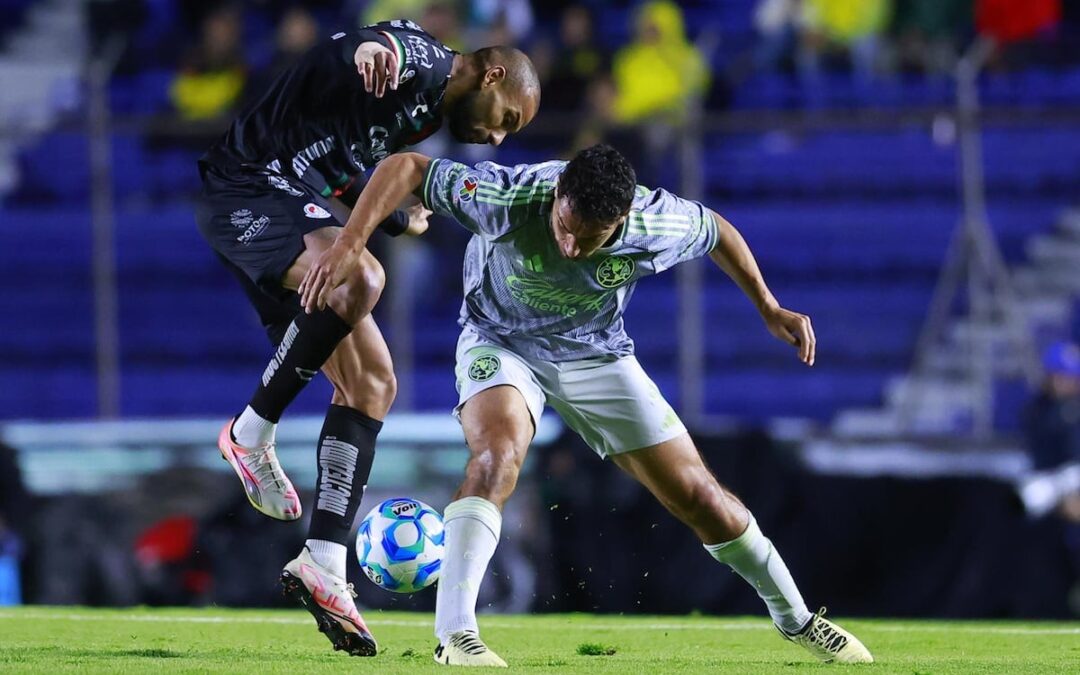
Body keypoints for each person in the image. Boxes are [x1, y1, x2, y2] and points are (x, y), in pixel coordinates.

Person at [301, 144, 874, 667]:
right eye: (565, 228)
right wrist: (352, 240)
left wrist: (769, 307)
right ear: (556, 199)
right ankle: (457, 636)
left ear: (621, 222)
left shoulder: (656, 221)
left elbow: (716, 229)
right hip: (500, 341)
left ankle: (799, 620)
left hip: (595, 355)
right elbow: (408, 167)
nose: (571, 246)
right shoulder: (509, 195)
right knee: (495, 458)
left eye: (590, 238)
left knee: (701, 497)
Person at [194, 18, 540, 657]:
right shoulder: (426, 64)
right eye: (506, 119)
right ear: (492, 75)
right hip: (248, 186)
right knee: (361, 278)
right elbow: (368, 46)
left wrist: (398, 213)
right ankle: (250, 431)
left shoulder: (422, 118)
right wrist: (368, 51)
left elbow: (333, 156)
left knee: (374, 383)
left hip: (292, 200)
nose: (495, 135)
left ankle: (324, 559)